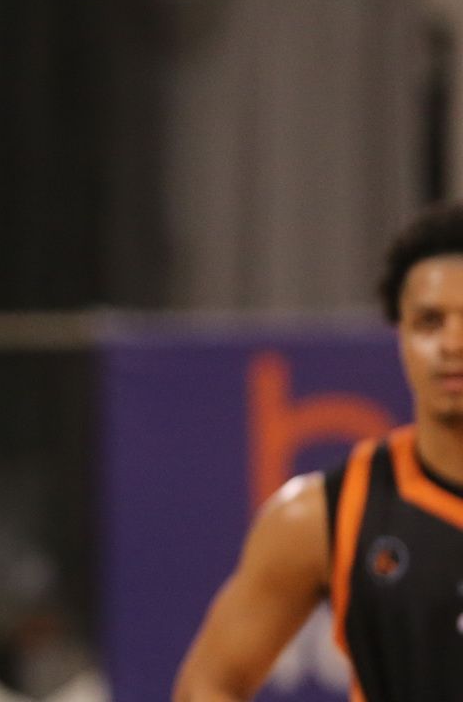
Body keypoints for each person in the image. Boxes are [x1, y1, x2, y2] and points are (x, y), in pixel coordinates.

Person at [174, 202, 463, 700]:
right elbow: (209, 682)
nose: (453, 343)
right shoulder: (322, 513)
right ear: (400, 335)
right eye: (429, 322)